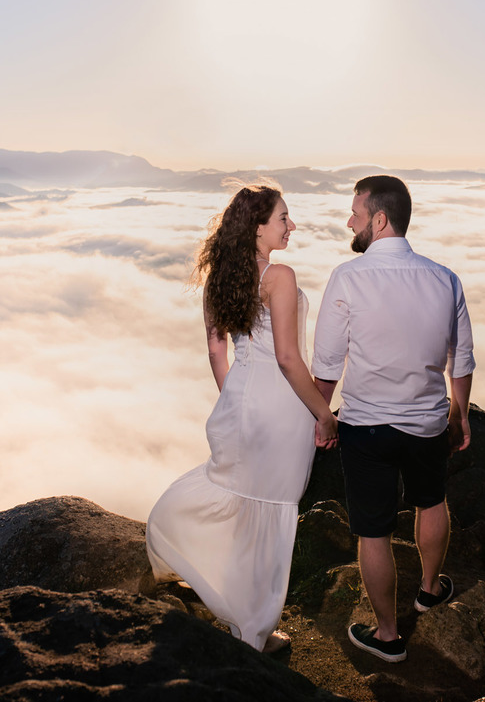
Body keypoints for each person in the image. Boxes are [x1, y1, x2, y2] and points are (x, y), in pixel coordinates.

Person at [146, 184, 339, 654]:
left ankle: (233, 605)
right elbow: (289, 359)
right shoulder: (280, 276)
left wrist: (236, 402)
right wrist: (324, 414)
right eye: (283, 219)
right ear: (256, 226)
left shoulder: (220, 279)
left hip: (241, 399)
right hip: (283, 406)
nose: (292, 226)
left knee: (237, 499)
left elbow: (217, 353)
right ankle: (254, 630)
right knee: (271, 508)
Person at [311, 175, 475, 663]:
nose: (350, 222)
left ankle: (387, 636)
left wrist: (320, 418)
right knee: (432, 501)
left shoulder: (348, 277)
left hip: (365, 427)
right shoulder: (445, 278)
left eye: (356, 213)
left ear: (379, 220)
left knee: (374, 532)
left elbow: (327, 365)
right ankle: (429, 590)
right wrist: (460, 414)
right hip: (427, 423)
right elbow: (461, 361)